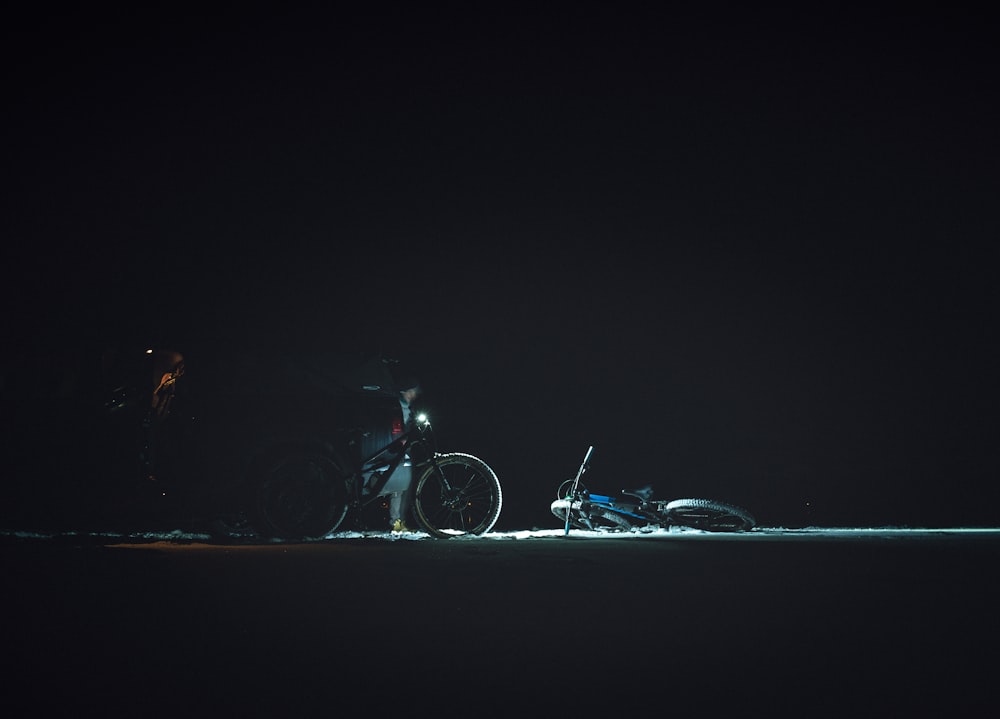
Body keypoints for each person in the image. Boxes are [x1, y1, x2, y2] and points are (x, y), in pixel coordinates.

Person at [385, 374, 421, 532]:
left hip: (405, 450)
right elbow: (397, 427)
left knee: (404, 487)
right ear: (406, 391)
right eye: (412, 391)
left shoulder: (407, 406)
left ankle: (400, 520)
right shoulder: (399, 406)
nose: (414, 395)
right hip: (399, 450)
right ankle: (396, 522)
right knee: (398, 488)